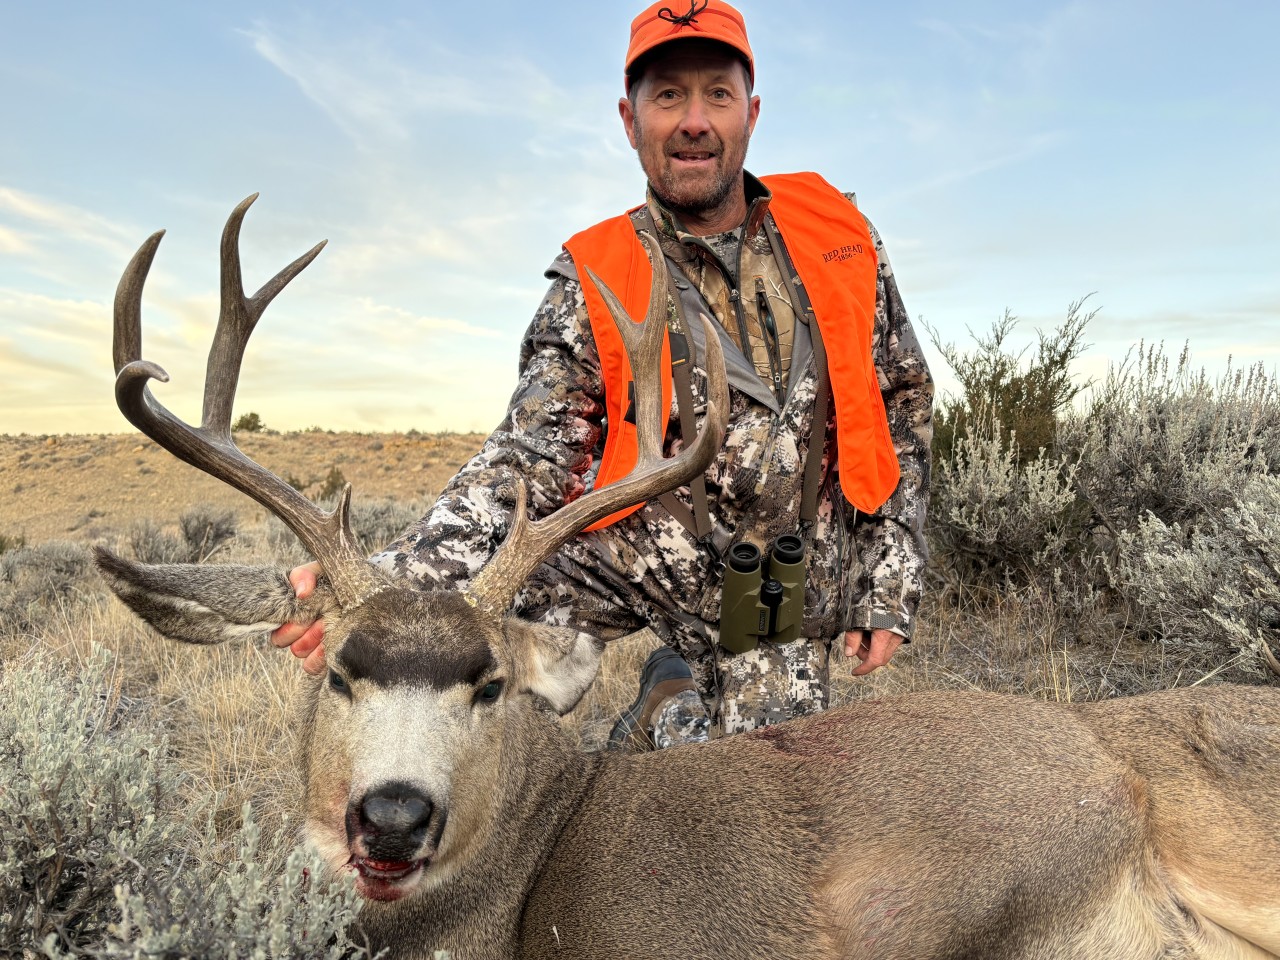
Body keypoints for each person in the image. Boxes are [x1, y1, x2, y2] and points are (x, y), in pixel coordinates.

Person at [273, 0, 933, 750]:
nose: (694, 120)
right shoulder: (596, 277)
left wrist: (890, 576)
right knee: (458, 630)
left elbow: (902, 396)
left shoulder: (839, 231)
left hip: (788, 575)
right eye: (667, 95)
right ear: (629, 119)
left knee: (769, 786)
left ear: (751, 112)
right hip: (649, 559)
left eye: (717, 93)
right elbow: (529, 458)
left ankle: (669, 707)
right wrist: (389, 583)